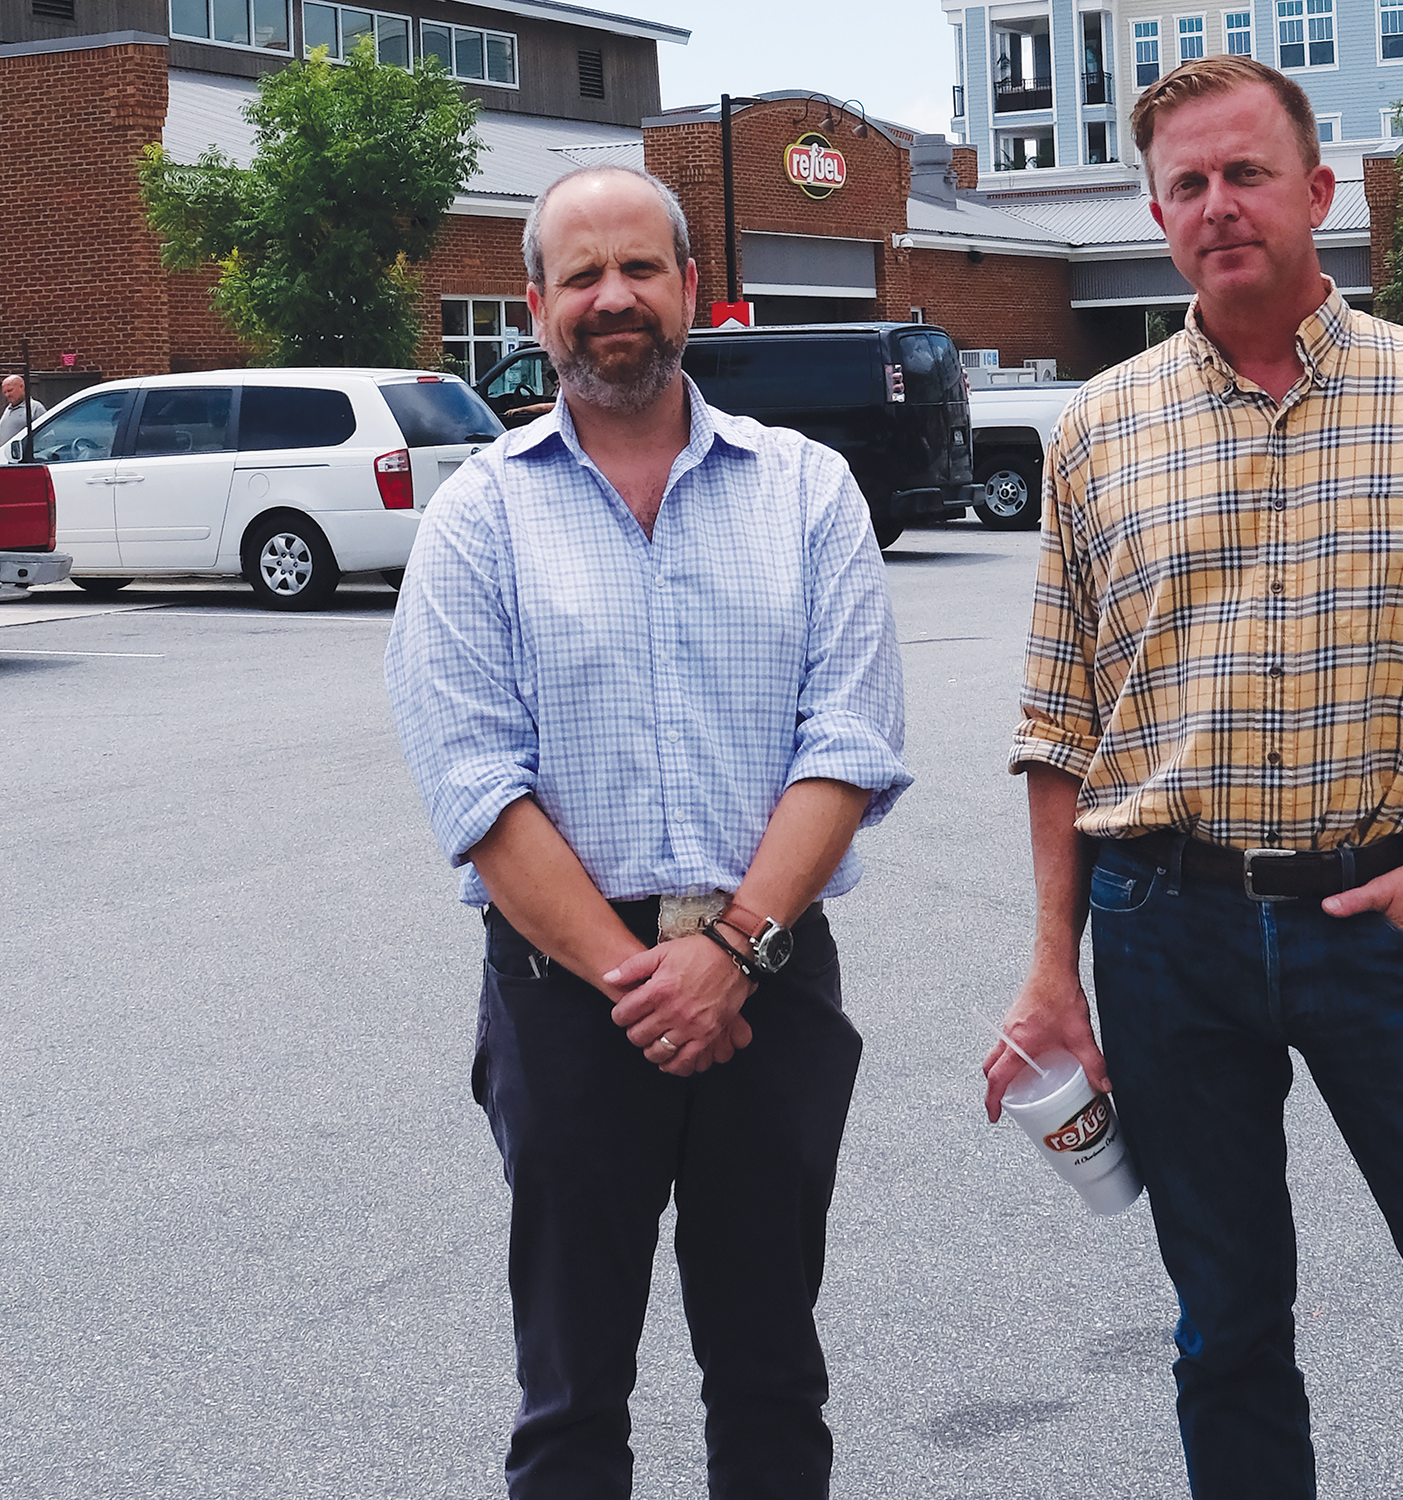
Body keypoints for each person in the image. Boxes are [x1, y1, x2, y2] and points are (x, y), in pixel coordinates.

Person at [980, 55, 1403, 1498]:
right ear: (1157, 215)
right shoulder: (1096, 432)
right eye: (1188, 183)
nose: (1219, 204)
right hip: (1167, 932)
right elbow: (1058, 727)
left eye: (1247, 173)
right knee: (1227, 1336)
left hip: (1389, 927)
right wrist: (1051, 969)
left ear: (1318, 191)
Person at [382, 164, 910, 1500]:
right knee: (571, 1398)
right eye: (581, 275)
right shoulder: (478, 516)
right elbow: (477, 787)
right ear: (536, 306)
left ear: (690, 286)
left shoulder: (808, 492)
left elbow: (846, 748)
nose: (611, 297)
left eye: (639, 268)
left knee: (771, 1373)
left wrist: (729, 956)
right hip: (567, 996)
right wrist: (650, 984)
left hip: (771, 982)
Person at [0, 374, 44, 451]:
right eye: (4, 392)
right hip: (6, 456)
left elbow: (46, 434)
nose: (7, 395)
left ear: (21, 386)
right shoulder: (7, 410)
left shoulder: (35, 408)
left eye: (10, 390)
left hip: (26, 456)